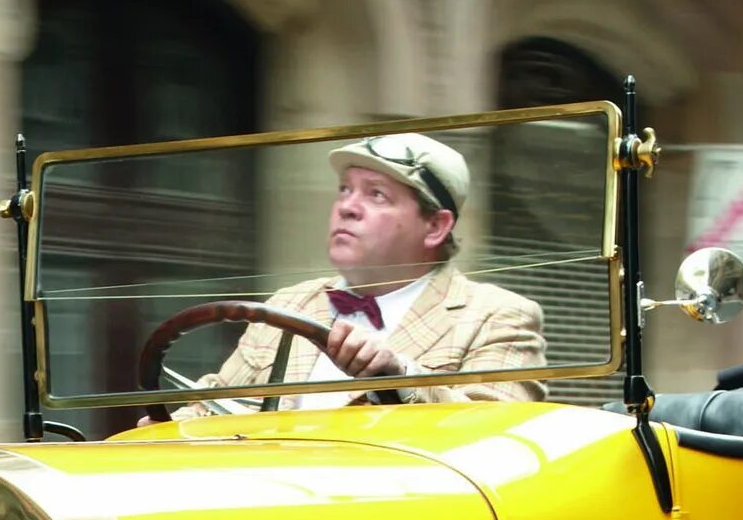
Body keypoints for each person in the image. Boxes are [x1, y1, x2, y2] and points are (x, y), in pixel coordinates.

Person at [175, 131, 544, 413]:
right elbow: (217, 402)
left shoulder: (497, 317)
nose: (347, 206)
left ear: (434, 227)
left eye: (376, 194)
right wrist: (173, 427)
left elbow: (494, 439)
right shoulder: (289, 303)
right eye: (345, 189)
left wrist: (397, 375)